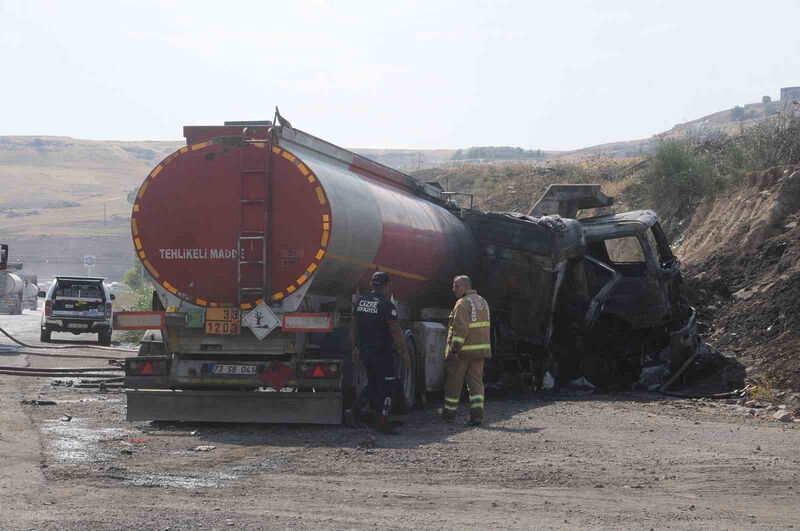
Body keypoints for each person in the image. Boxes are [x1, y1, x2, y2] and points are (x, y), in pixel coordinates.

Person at [345, 271, 410, 433]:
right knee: (388, 386)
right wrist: (404, 352)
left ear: (371, 285)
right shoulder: (387, 305)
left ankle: (353, 412)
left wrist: (354, 347)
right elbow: (395, 330)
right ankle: (382, 422)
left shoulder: (360, 303)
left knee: (373, 384)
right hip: (382, 352)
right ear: (388, 285)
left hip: (365, 352)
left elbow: (353, 327)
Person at [443, 275, 491, 426]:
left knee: (454, 383)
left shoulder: (462, 303)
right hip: (480, 350)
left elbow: (460, 330)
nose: (453, 289)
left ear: (465, 286)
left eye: (456, 286)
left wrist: (454, 351)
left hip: (463, 352)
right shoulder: (483, 302)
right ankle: (477, 416)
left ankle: (449, 415)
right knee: (476, 383)